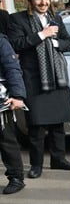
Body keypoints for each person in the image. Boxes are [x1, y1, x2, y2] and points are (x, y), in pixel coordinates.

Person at [7, 0, 70, 176]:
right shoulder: (17, 20)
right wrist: (41, 35)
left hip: (57, 77)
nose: (43, 2)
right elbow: (16, 44)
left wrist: (55, 42)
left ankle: (59, 159)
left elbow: (69, 43)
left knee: (58, 124)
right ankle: (36, 165)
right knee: (36, 125)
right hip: (34, 79)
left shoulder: (55, 18)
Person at [0, 30, 27, 194]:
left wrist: (17, 95)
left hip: (1, 100)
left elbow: (12, 67)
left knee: (6, 141)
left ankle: (16, 178)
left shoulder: (1, 41)